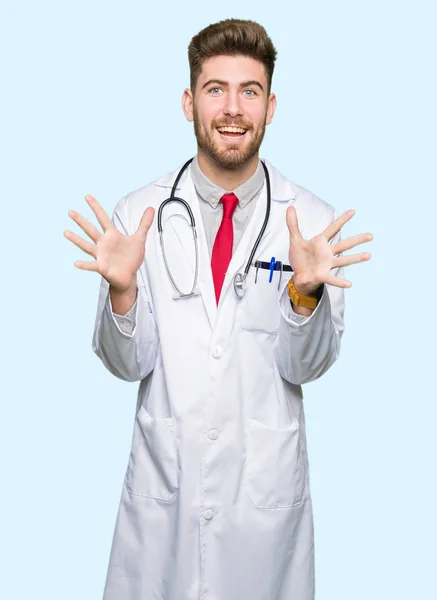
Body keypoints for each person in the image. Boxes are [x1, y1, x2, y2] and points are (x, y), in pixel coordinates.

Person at [64, 18, 373, 600]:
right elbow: (128, 363)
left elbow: (307, 367)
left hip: (262, 507)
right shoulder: (141, 211)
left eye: (249, 91)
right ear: (189, 101)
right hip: (165, 497)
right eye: (216, 89)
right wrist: (122, 291)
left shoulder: (309, 221)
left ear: (271, 105)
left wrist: (305, 293)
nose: (233, 109)